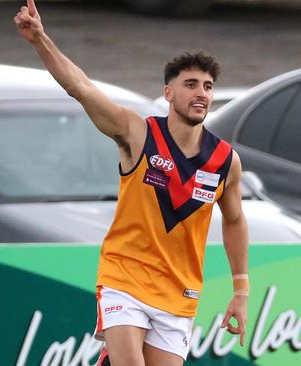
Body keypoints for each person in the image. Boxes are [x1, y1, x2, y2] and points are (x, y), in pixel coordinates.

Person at [14, 1, 250, 365]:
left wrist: (241, 290)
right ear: (169, 93)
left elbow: (234, 220)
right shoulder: (138, 134)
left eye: (207, 85)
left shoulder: (225, 162)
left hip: (179, 294)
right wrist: (40, 40)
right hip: (124, 279)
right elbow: (81, 87)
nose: (201, 92)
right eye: (190, 84)